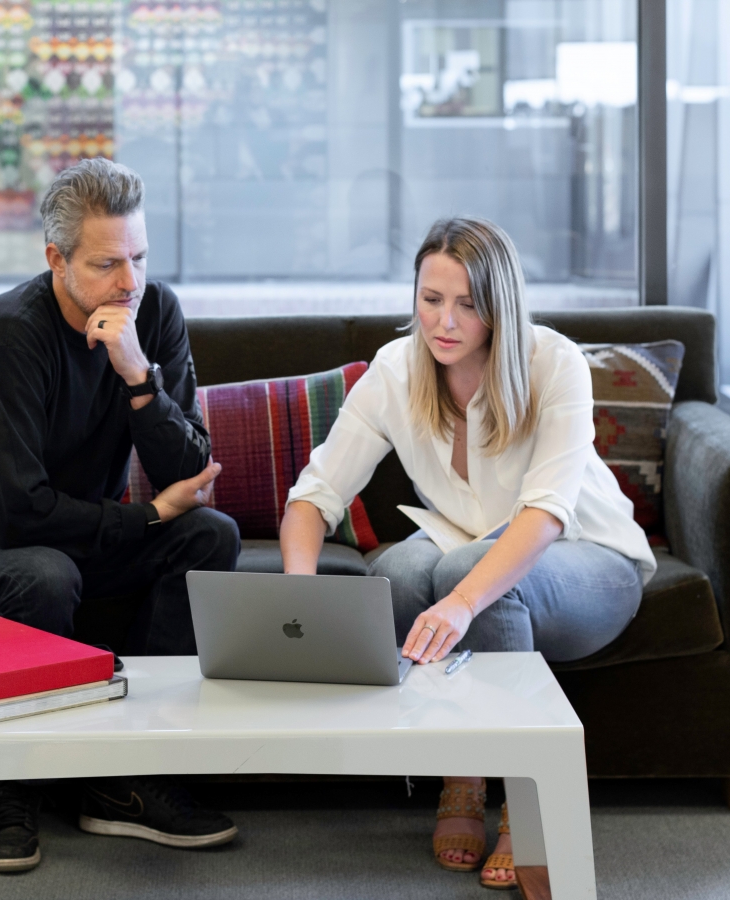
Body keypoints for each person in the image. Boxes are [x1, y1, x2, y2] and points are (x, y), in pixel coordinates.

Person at [0, 158, 242, 873]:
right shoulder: (11, 335)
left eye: (139, 258)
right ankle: (14, 787)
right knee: (42, 575)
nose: (129, 282)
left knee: (210, 536)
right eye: (108, 264)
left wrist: (139, 378)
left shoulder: (155, 314)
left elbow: (189, 473)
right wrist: (143, 520)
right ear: (56, 258)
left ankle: (126, 778)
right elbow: (17, 516)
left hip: (66, 538)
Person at [278, 216, 654, 890]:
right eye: (431, 299)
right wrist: (298, 596)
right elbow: (315, 495)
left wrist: (461, 600)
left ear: (498, 305)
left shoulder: (554, 362)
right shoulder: (397, 370)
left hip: (591, 556)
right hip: (466, 542)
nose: (444, 322)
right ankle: (463, 768)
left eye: (467, 303)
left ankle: (523, 800)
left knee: (458, 571)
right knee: (392, 570)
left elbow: (544, 513)